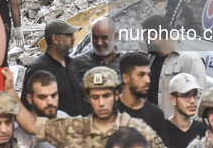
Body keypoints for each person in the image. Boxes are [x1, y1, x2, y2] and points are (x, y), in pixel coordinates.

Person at [34, 67, 165, 147]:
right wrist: (12, 90)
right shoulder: (72, 128)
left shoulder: (139, 130)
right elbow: (30, 125)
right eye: (95, 97)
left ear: (116, 94)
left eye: (106, 96)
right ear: (88, 98)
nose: (101, 103)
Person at [141, 15, 207, 118]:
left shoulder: (190, 60)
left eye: (145, 37)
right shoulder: (151, 60)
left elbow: (197, 101)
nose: (143, 41)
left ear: (153, 36)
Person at [21, 19, 84, 117]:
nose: (74, 38)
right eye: (69, 35)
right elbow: (27, 107)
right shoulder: (38, 68)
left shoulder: (71, 63)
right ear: (55, 39)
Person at [118, 52, 169, 145]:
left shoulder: (156, 114)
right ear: (125, 78)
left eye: (148, 74)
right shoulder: (111, 109)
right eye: (141, 75)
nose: (148, 80)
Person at [13, 70, 67, 148]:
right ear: (29, 99)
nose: (50, 102)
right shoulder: (19, 134)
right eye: (42, 97)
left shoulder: (64, 117)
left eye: (54, 95)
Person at [164, 73, 207, 148]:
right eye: (186, 96)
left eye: (195, 95)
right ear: (173, 100)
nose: (192, 101)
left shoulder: (203, 130)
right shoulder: (162, 130)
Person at [73, 17, 123, 81]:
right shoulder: (77, 63)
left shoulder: (127, 63)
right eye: (95, 37)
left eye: (104, 38)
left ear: (116, 36)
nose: (99, 43)